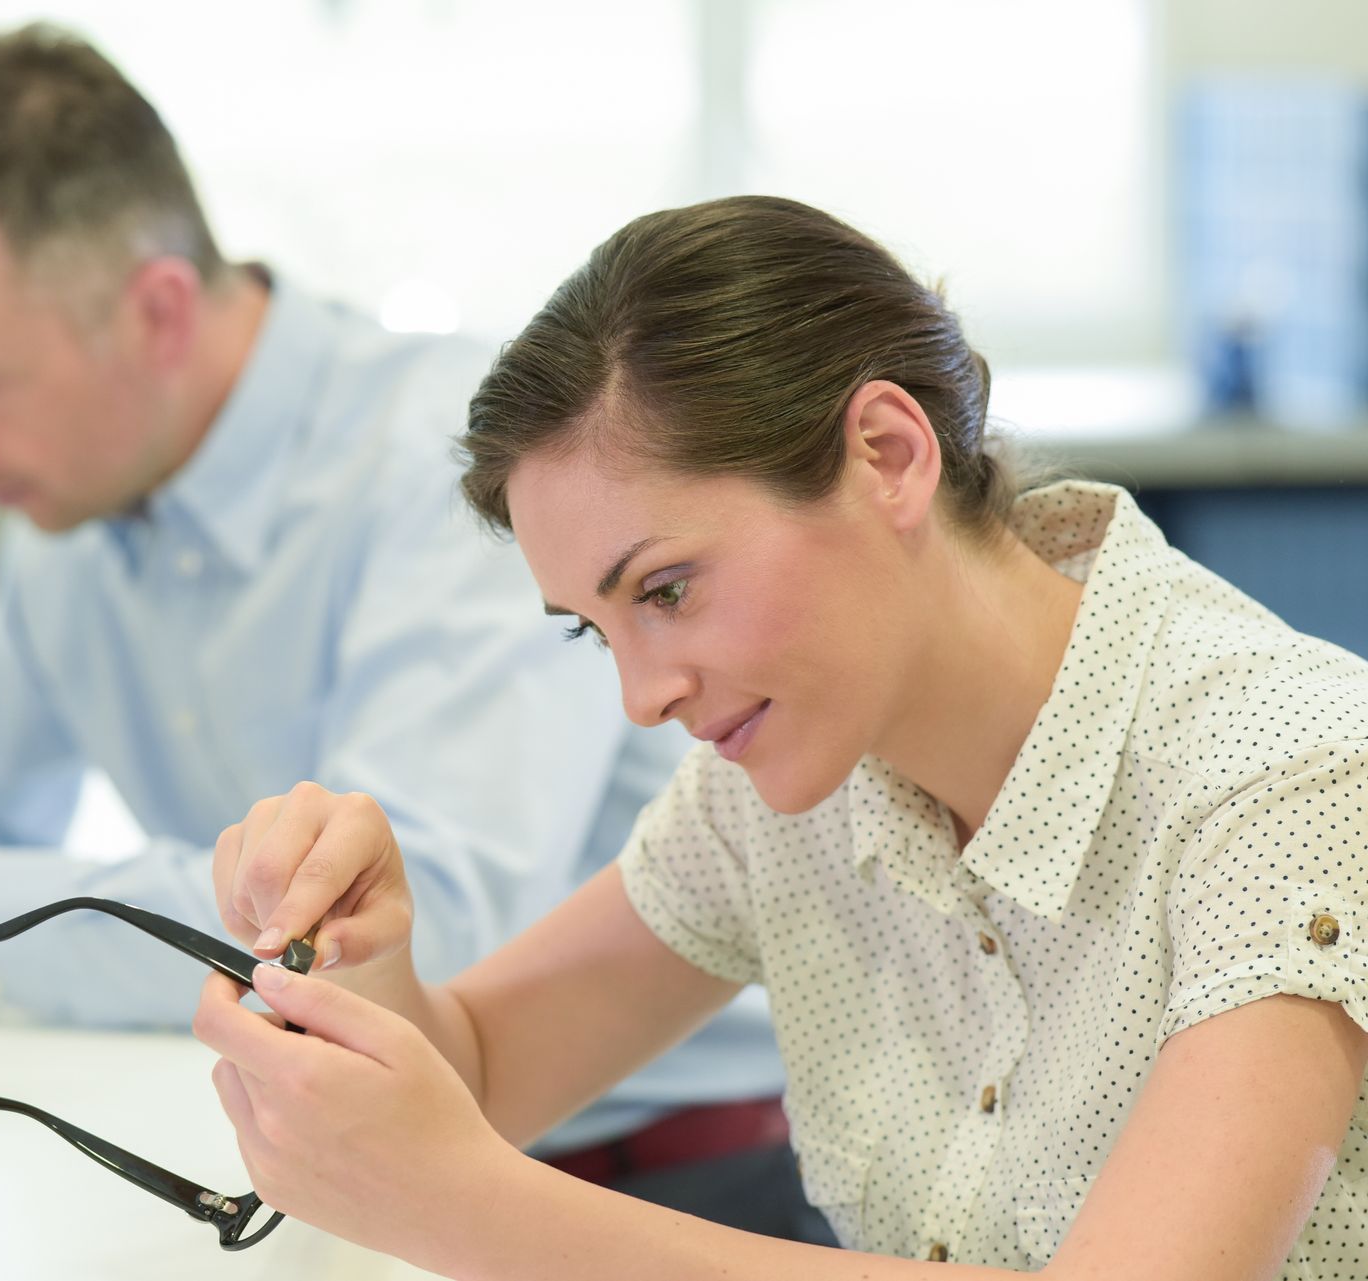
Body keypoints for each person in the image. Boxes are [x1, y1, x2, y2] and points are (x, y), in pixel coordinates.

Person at [0, 26, 826, 1239]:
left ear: (156, 313)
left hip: (656, 1181)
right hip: (380, 1168)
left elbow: (426, 931)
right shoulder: (86, 494)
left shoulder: (465, 472)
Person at [194, 194, 1368, 1278]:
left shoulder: (1289, 774)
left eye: (664, 590)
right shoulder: (776, 786)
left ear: (888, 457)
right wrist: (371, 961)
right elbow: (485, 1077)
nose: (642, 696)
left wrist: (478, 1209)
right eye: (593, 633)